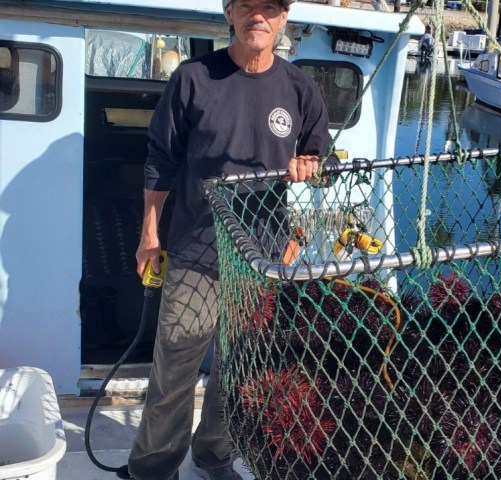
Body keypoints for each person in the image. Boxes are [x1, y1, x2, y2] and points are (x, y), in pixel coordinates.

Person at [126, 0, 336, 478]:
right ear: (229, 12)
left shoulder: (301, 89)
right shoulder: (193, 77)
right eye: (246, 5)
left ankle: (214, 456)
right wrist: (149, 235)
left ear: (284, 19)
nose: (257, 16)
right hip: (196, 254)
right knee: (174, 369)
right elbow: (161, 158)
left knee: (238, 372)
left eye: (269, 7)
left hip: (260, 261)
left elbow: (323, 165)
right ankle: (154, 467)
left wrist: (304, 204)